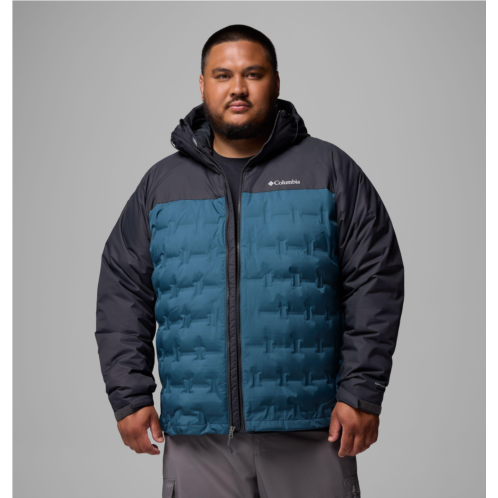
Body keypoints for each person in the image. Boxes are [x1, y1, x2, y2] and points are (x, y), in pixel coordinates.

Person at [95, 24, 404, 498]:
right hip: (199, 438)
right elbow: (122, 292)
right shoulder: (161, 185)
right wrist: (129, 395)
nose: (237, 87)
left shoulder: (329, 170)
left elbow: (375, 281)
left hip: (312, 431)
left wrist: (361, 393)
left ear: (276, 82)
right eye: (223, 75)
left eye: (253, 74)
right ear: (203, 85)